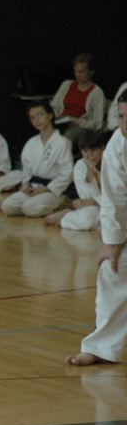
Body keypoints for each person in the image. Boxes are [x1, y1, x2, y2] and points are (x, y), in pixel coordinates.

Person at [66, 93, 127, 366]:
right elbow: (115, 198)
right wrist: (112, 240)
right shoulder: (118, 144)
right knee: (113, 268)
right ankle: (101, 348)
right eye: (122, 117)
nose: (124, 125)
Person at [1, 100, 74, 217]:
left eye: (40, 115)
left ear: (50, 115)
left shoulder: (62, 142)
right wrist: (25, 185)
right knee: (7, 206)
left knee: (29, 207)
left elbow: (68, 173)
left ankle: (62, 203)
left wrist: (46, 189)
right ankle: (36, 204)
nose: (36, 120)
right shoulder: (31, 143)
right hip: (34, 187)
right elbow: (26, 169)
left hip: (54, 190)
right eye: (33, 118)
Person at [45, 130, 106, 230]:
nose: (90, 155)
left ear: (103, 148)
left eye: (94, 150)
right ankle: (67, 216)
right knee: (88, 219)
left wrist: (92, 201)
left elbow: (116, 194)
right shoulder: (80, 166)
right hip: (94, 207)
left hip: (110, 205)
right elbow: (85, 197)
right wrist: (91, 172)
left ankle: (74, 213)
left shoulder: (112, 163)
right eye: (85, 151)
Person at [50, 52, 106, 149]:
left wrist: (79, 122)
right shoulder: (67, 84)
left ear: (91, 71)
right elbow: (54, 106)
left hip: (80, 126)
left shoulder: (97, 93)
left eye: (82, 72)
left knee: (66, 137)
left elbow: (98, 124)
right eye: (76, 71)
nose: (78, 75)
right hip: (60, 121)